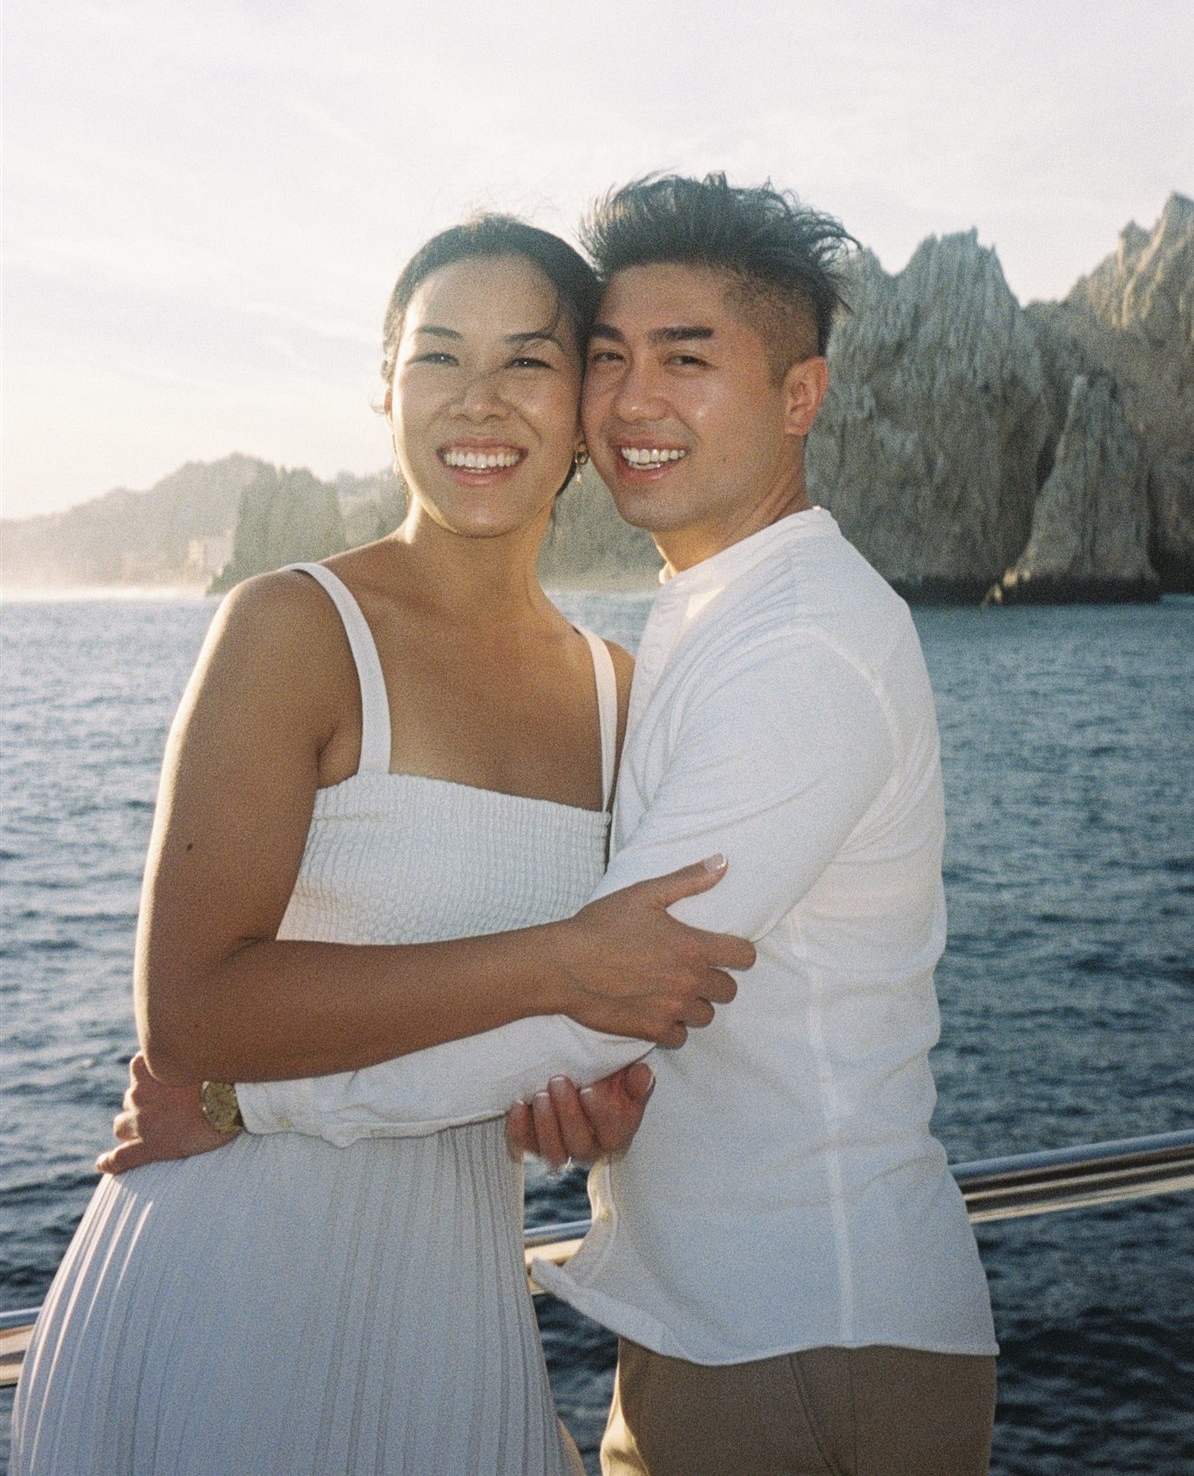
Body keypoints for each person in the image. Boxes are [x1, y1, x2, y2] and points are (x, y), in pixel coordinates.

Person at [112, 174, 998, 1476]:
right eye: (609, 358)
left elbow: (607, 989)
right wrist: (608, 1102)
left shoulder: (797, 647)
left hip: (807, 1338)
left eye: (686, 360)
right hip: (703, 1323)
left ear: (797, 397)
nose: (636, 399)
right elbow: (615, 1001)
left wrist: (256, 1104)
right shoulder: (698, 620)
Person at [12, 215, 756, 1476]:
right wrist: (557, 965)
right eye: (436, 357)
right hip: (222, 1285)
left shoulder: (626, 691)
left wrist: (606, 1096)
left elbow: (629, 998)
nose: (478, 400)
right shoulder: (292, 625)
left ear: (583, 398)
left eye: (526, 360)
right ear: (385, 385)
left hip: (456, 1303)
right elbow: (193, 1016)